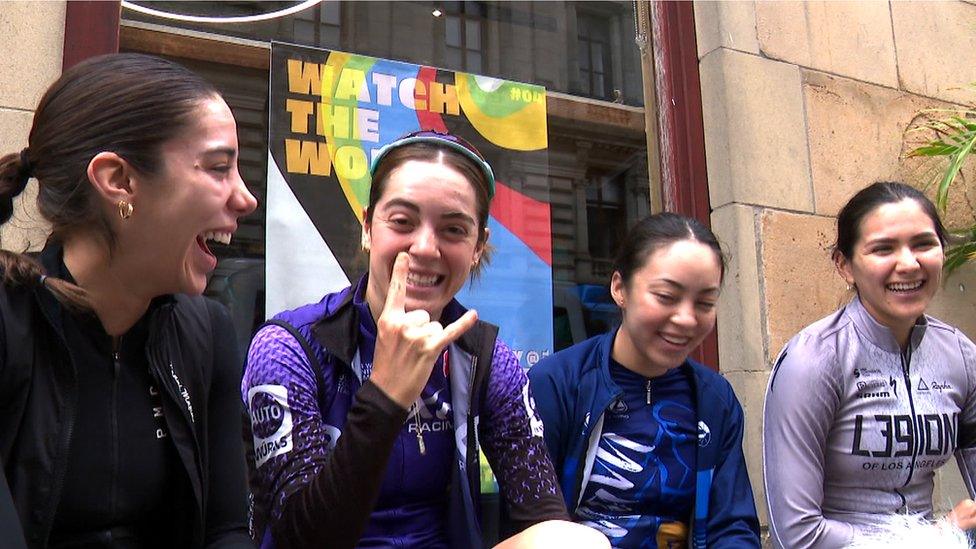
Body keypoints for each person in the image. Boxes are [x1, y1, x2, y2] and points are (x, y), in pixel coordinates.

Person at [242, 131, 605, 548]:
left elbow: (542, 512)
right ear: (367, 227)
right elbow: (299, 540)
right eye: (402, 222)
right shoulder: (288, 348)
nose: (425, 247)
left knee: (572, 542)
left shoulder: (484, 358)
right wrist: (386, 395)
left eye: (453, 229)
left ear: (477, 247)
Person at [0, 53, 258, 548]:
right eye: (219, 168)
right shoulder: (9, 324)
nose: (246, 199)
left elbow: (226, 529)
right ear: (119, 181)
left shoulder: (206, 333)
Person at [528, 212, 761, 548]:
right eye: (666, 296)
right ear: (620, 288)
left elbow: (733, 525)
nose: (686, 318)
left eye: (705, 303)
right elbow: (531, 522)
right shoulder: (557, 383)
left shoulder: (714, 399)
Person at [763, 181, 976, 548]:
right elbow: (796, 535)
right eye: (883, 249)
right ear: (845, 265)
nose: (909, 264)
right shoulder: (814, 360)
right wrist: (937, 537)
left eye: (924, 244)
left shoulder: (960, 355)